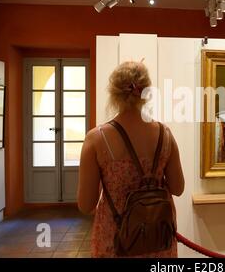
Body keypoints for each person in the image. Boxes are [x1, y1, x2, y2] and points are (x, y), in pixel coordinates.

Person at [78, 61, 185, 258]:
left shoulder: (96, 139)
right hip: (157, 239)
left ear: (113, 92)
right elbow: (178, 188)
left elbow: (86, 205)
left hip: (116, 239)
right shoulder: (164, 134)